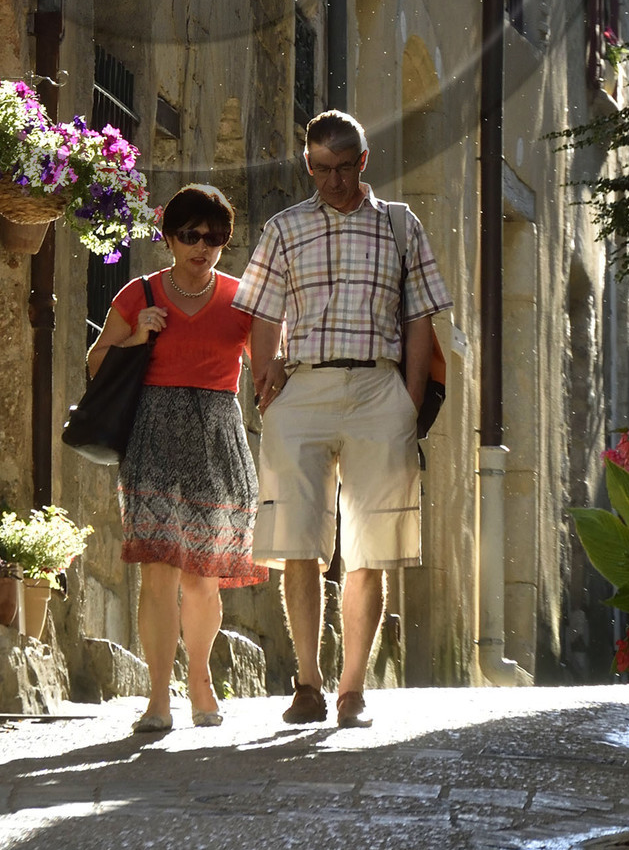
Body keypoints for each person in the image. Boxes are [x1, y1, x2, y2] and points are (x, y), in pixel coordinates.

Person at [234, 108, 452, 728]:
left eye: (345, 167)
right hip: (302, 388)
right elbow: (263, 312)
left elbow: (420, 319)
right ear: (308, 164)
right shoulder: (284, 228)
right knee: (297, 540)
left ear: (364, 161)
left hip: (380, 390)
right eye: (322, 168)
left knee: (369, 547)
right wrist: (266, 379)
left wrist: (409, 401)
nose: (334, 180)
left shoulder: (400, 225)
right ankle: (307, 683)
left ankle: (352, 689)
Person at [86, 182, 267, 736]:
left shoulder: (243, 299)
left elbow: (269, 372)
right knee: (158, 573)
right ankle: (158, 697)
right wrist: (136, 336)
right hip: (154, 438)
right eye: (190, 235)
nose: (202, 247)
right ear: (168, 237)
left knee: (201, 577)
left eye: (214, 238)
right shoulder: (138, 294)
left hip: (217, 442)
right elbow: (95, 364)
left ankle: (201, 679)